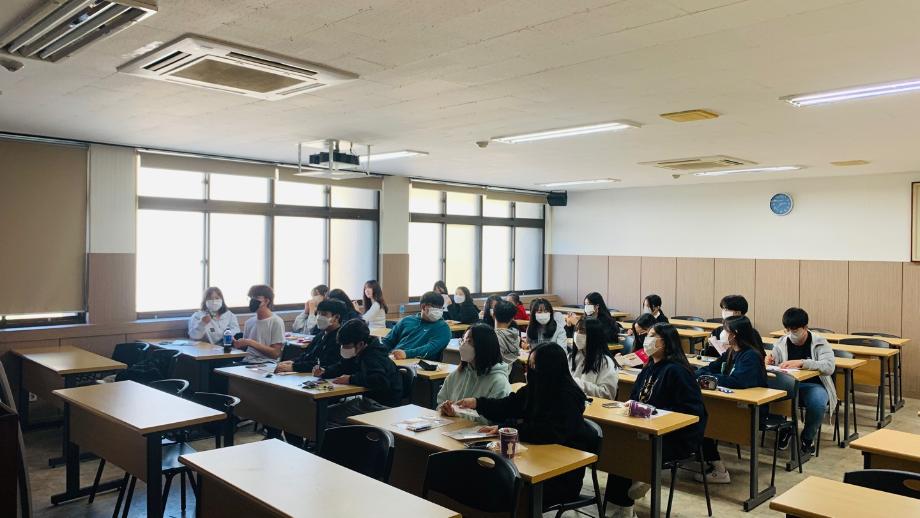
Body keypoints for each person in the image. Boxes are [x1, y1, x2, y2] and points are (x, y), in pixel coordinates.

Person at [456, 343, 593, 507]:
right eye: (529, 365)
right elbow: (508, 406)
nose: (529, 371)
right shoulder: (536, 388)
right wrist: (478, 403)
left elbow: (548, 432)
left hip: (560, 476)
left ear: (549, 368)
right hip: (535, 462)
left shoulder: (567, 397)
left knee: (498, 487)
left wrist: (508, 429)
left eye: (534, 366)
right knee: (483, 478)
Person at [605, 323, 707, 517]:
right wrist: (633, 406)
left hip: (674, 436)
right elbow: (636, 397)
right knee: (618, 443)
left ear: (665, 343)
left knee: (627, 450)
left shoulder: (677, 371)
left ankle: (624, 508)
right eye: (647, 335)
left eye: (652, 336)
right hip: (646, 429)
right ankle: (617, 504)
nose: (646, 340)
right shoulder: (650, 367)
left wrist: (651, 412)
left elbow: (691, 413)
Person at [694, 315, 768, 484]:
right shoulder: (731, 351)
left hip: (749, 411)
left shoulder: (751, 356)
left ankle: (718, 469)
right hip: (730, 404)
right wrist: (698, 373)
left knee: (702, 421)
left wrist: (708, 378)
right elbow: (712, 367)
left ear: (734, 334)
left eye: (725, 330)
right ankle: (710, 461)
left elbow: (737, 382)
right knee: (699, 416)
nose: (722, 333)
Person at [768, 307, 836, 458]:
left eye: (794, 329)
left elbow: (829, 366)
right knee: (768, 394)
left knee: (818, 402)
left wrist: (802, 363)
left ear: (805, 327)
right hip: (789, 384)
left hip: (814, 385)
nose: (791, 333)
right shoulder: (782, 342)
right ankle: (785, 428)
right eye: (787, 329)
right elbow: (774, 361)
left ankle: (807, 437)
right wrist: (769, 360)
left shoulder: (819, 342)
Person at [315, 319, 403, 425]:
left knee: (325, 415)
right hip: (369, 401)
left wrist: (351, 379)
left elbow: (380, 380)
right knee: (322, 412)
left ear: (360, 344)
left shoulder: (374, 355)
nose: (343, 349)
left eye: (347, 346)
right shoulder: (358, 351)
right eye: (342, 345)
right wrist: (325, 371)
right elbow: (343, 367)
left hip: (383, 405)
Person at [437, 324, 512, 423]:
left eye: (469, 341)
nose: (463, 345)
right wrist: (444, 408)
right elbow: (440, 402)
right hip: (450, 428)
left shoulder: (499, 382)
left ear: (483, 346)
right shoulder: (457, 374)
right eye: (463, 340)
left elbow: (491, 420)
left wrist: (458, 414)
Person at [276, 299, 349, 373]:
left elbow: (325, 363)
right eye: (318, 313)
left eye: (323, 314)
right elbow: (308, 355)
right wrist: (293, 362)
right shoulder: (320, 335)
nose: (319, 317)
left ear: (336, 317)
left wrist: (294, 367)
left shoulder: (341, 338)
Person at [382, 291, 452, 360]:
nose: (438, 311)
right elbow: (388, 341)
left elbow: (430, 348)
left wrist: (406, 354)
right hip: (394, 359)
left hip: (418, 363)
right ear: (423, 307)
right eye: (434, 307)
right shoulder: (407, 320)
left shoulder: (443, 328)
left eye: (440, 308)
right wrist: (379, 352)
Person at [234, 285, 285, 364]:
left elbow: (275, 354)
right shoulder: (249, 322)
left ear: (266, 301)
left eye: (256, 297)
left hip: (267, 363)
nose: (252, 300)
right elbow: (246, 348)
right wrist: (238, 343)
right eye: (251, 297)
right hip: (247, 361)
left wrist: (250, 342)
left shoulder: (276, 322)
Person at [570, 318, 619, 399]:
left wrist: (578, 384)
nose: (577, 334)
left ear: (593, 335)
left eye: (582, 331)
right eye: (576, 330)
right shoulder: (572, 357)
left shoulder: (606, 362)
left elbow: (608, 394)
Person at [492, 300, 521, 365]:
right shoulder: (516, 336)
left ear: (493, 315)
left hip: (498, 370)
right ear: (512, 318)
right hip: (513, 369)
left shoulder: (491, 337)